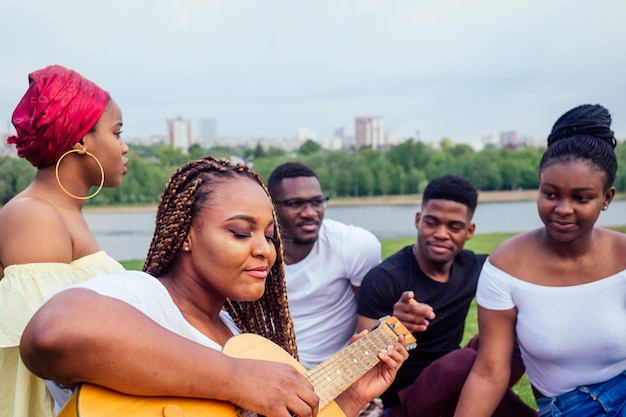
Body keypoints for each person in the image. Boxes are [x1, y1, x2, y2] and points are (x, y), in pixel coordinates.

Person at [20, 156, 408, 417]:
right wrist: (237, 379)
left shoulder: (237, 335)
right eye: (241, 232)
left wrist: (349, 397)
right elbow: (52, 333)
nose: (265, 250)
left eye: (271, 236)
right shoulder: (144, 295)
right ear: (187, 235)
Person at [454, 104, 626, 417]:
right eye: (550, 194)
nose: (563, 208)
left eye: (581, 198)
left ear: (607, 199)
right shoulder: (505, 267)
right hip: (570, 409)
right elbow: (490, 371)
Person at [0, 65, 129, 417]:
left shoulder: (63, 215)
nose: (125, 147)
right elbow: (56, 350)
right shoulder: (34, 217)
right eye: (117, 133)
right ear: (81, 141)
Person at [357, 175, 537, 417]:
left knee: (518, 335)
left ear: (469, 231)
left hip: (457, 380)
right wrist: (390, 326)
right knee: (463, 364)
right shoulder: (385, 278)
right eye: (432, 222)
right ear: (418, 220)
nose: (441, 234)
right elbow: (359, 364)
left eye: (454, 226)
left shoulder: (476, 267)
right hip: (406, 399)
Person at [267, 162, 381, 370]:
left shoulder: (353, 245)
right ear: (271, 206)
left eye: (317, 202)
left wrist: (350, 374)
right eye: (295, 203)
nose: (310, 212)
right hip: (267, 370)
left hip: (331, 375)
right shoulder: (254, 252)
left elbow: (370, 321)